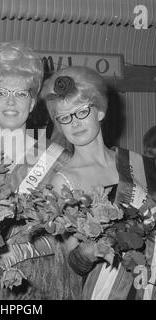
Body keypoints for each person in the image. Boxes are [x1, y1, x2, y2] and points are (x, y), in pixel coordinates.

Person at [0, 41, 82, 300]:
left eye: (21, 94)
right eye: (2, 92)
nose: (10, 102)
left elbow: (72, 245)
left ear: (32, 102)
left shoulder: (60, 160)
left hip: (40, 287)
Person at [40, 66, 156, 300]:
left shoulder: (136, 162)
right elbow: (74, 263)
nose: (74, 123)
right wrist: (90, 251)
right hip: (108, 290)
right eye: (64, 117)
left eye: (82, 111)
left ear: (100, 111)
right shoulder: (62, 182)